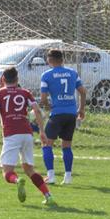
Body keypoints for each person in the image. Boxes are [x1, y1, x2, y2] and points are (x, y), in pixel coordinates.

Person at [0, 67, 56, 206]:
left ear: (3, 79)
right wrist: (42, 131)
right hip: (27, 134)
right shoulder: (25, 92)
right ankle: (48, 196)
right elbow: (37, 110)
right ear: (17, 79)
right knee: (29, 169)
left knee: (7, 172)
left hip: (11, 135)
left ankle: (17, 180)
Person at [40, 49, 87, 185]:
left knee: (46, 143)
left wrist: (48, 107)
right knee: (66, 145)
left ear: (49, 60)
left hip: (57, 114)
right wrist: (81, 109)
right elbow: (83, 92)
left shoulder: (46, 75)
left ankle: (51, 176)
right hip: (71, 114)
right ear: (62, 60)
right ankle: (68, 177)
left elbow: (43, 99)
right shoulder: (73, 73)